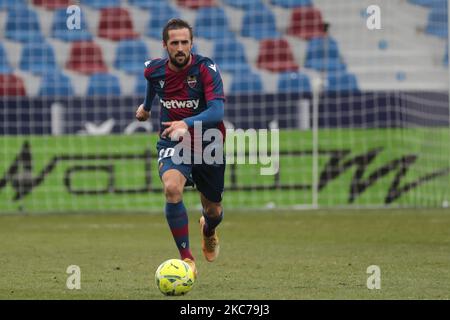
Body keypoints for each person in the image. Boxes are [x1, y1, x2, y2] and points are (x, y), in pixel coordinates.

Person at [135, 18, 226, 278]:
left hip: (209, 143)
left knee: (214, 211)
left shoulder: (206, 68)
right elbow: (153, 83)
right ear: (165, 45)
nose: (180, 47)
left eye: (184, 42)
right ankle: (187, 259)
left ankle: (208, 230)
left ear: (191, 43)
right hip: (172, 140)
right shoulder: (153, 70)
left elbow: (217, 111)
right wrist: (146, 107)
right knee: (172, 188)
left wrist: (185, 123)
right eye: (174, 43)